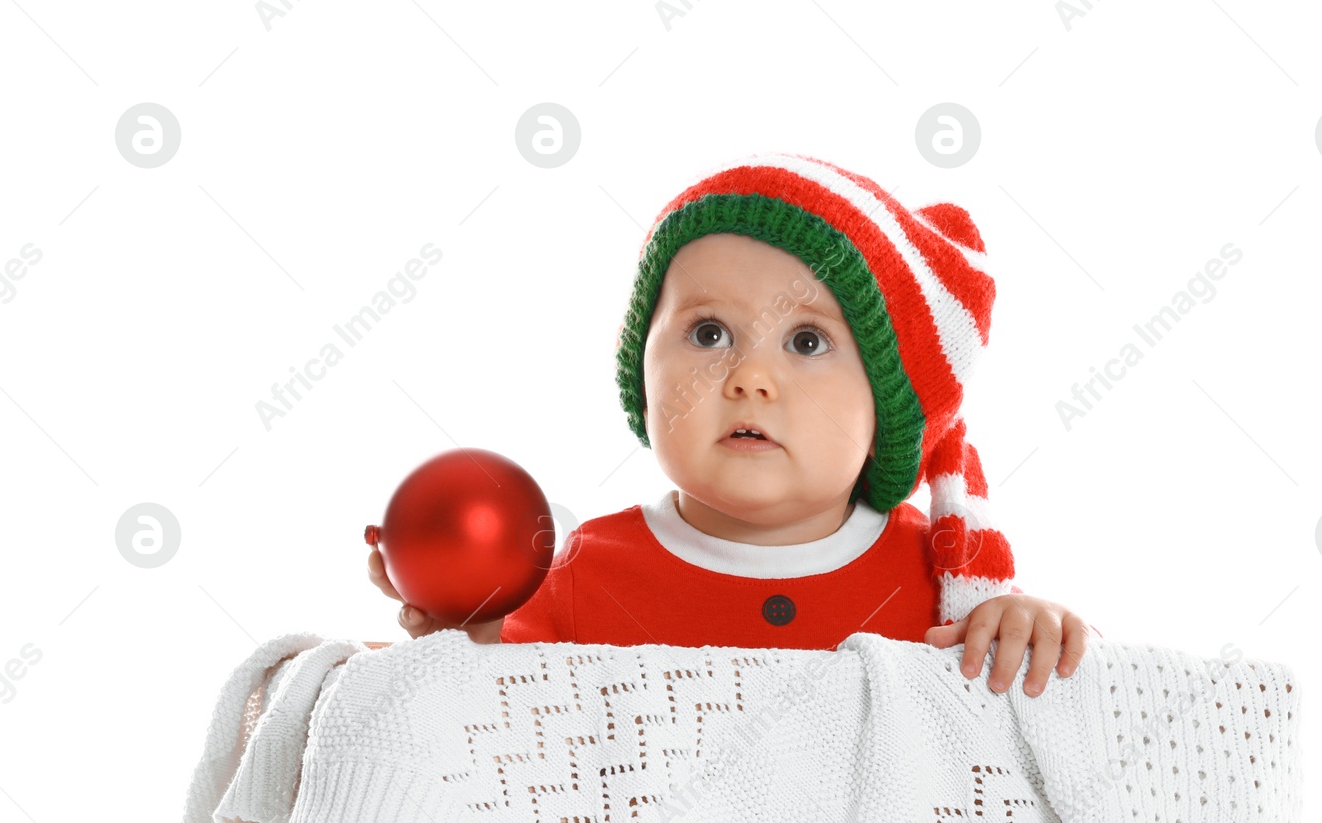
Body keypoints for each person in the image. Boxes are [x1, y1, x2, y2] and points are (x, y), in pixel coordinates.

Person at [369, 152, 1091, 697]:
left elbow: (1053, 749)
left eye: (807, 342)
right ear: (640, 377)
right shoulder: (581, 578)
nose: (750, 377)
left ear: (887, 407)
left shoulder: (947, 588)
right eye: (709, 332)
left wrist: (1037, 639)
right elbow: (491, 740)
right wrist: (465, 638)